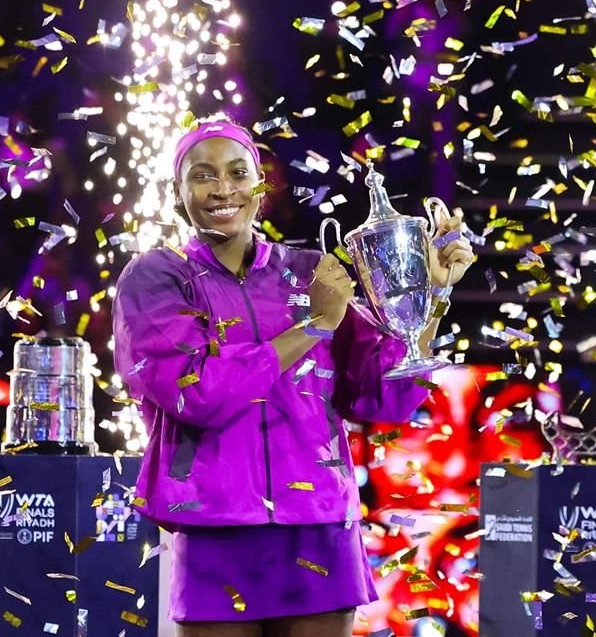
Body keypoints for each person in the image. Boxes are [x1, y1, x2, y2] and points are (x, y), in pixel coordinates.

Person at [112, 116, 474, 637]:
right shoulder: (157, 278)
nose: (223, 189)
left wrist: (431, 299)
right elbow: (200, 395)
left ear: (260, 187)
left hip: (320, 526)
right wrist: (313, 326)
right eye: (203, 175)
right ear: (177, 193)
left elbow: (382, 400)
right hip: (216, 527)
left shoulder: (311, 272)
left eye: (239, 173)